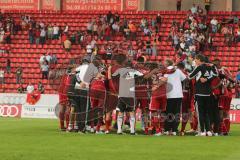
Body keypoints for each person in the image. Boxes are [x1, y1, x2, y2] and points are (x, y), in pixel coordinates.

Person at [188, 54, 216, 136]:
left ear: (199, 60)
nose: (195, 61)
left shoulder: (199, 67)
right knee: (206, 113)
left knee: (200, 113)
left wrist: (188, 73)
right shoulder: (210, 67)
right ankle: (209, 131)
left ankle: (202, 131)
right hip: (208, 93)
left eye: (196, 60)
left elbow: (190, 76)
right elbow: (215, 74)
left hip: (199, 93)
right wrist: (207, 78)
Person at [110, 59, 137, 135]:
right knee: (131, 112)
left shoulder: (120, 71)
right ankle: (132, 131)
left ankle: (119, 130)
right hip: (130, 95)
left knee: (120, 113)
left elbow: (113, 76)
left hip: (122, 94)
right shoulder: (134, 71)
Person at [164, 59, 186, 136]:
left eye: (165, 63)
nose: (164, 64)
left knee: (169, 113)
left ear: (168, 64)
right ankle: (174, 129)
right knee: (176, 113)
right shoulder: (178, 71)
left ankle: (167, 129)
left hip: (169, 95)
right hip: (178, 94)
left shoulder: (165, 72)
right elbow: (185, 78)